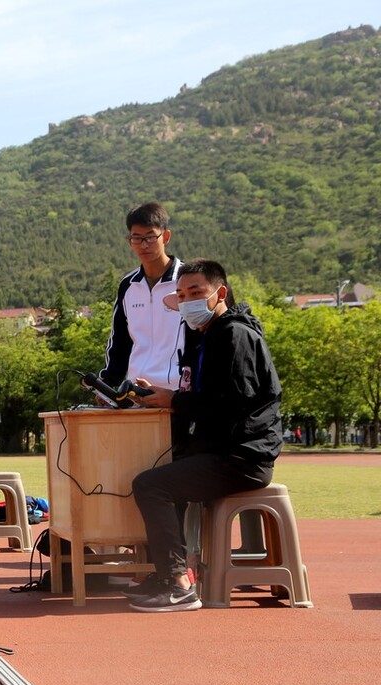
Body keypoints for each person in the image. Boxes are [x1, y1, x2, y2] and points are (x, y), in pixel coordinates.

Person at [125, 259, 282, 612]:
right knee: (166, 469)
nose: (187, 301)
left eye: (196, 292)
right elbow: (204, 394)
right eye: (180, 295)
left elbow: (232, 402)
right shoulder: (205, 336)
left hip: (243, 455)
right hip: (227, 449)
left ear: (219, 293)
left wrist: (174, 399)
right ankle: (170, 574)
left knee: (150, 485)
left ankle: (179, 586)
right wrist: (163, 396)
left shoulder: (233, 335)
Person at [101, 201, 192, 390]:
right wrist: (107, 386)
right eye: (137, 238)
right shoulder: (128, 285)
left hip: (178, 394)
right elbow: (119, 342)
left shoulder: (188, 280)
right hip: (137, 393)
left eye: (150, 237)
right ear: (129, 241)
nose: (144, 245)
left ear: (165, 236)